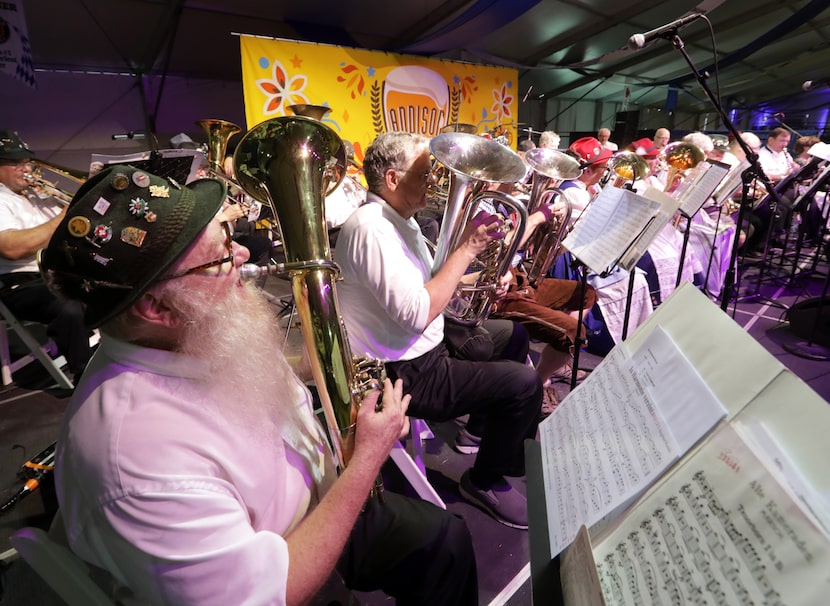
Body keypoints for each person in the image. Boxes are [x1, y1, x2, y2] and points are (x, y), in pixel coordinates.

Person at [41, 164, 477, 605]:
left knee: (446, 541)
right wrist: (366, 459)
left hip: (317, 496)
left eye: (228, 241)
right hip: (291, 553)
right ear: (158, 309)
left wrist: (339, 376)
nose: (244, 258)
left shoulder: (190, 329)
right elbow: (268, 593)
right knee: (443, 543)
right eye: (219, 258)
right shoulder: (136, 454)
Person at [333, 132, 543, 530]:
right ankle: (483, 480)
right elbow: (416, 314)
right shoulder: (372, 228)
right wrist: (466, 249)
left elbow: (432, 283)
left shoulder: (400, 222)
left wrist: (486, 274)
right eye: (426, 173)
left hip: (425, 345)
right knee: (525, 383)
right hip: (403, 370)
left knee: (514, 336)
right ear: (393, 179)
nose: (434, 181)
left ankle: (480, 433)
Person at [0, 129, 91, 379]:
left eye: (26, 161)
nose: (25, 168)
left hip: (55, 273)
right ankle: (85, 374)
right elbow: (12, 248)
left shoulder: (38, 195)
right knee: (68, 307)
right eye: (14, 163)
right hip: (19, 283)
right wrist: (63, 216)